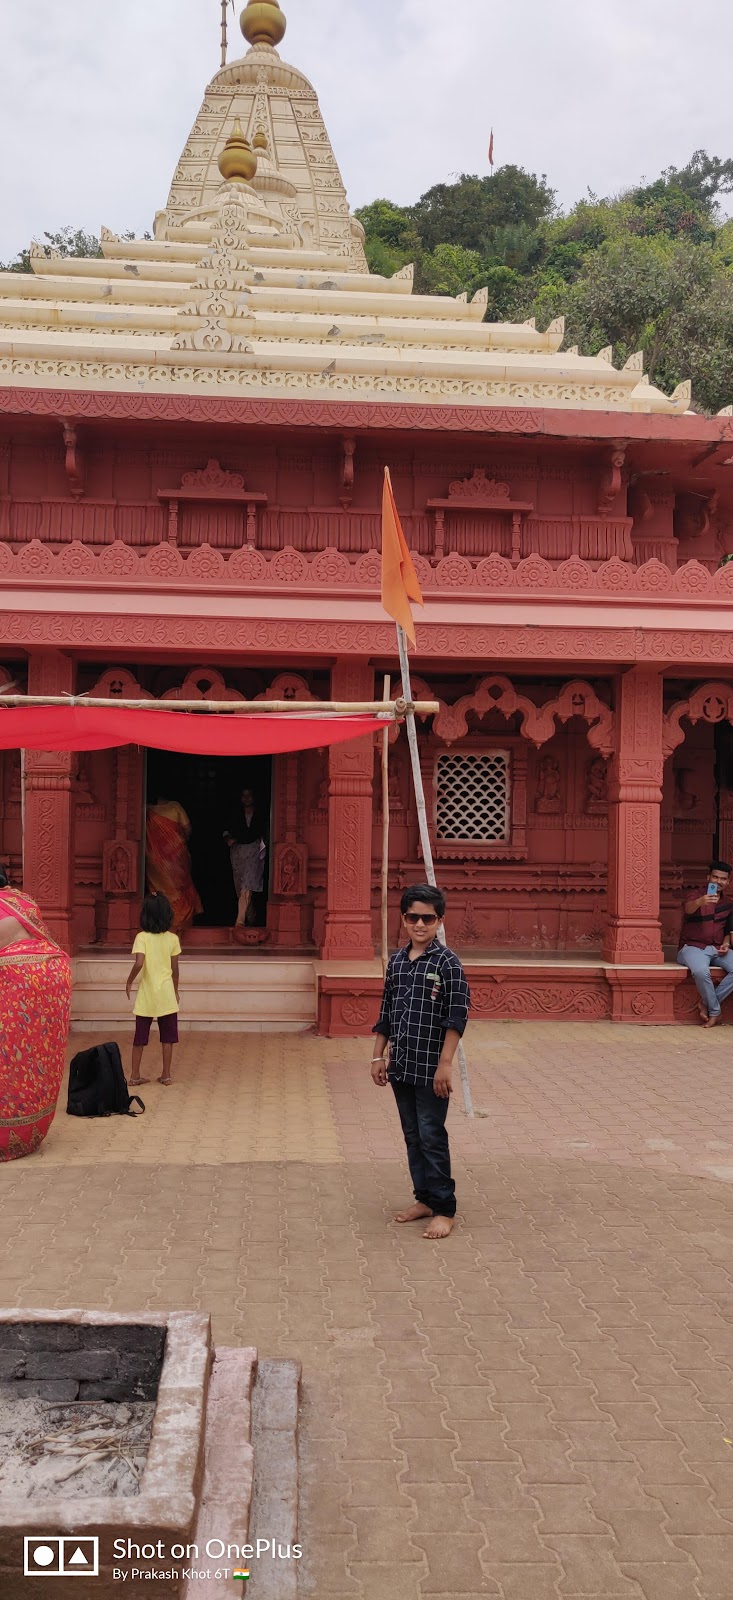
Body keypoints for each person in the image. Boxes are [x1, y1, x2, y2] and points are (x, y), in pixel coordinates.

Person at [371, 883, 470, 1240]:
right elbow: (386, 1012)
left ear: (439, 920)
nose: (419, 924)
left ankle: (444, 1209)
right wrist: (377, 1055)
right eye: (413, 917)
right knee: (413, 1136)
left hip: (432, 1069)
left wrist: (446, 1064)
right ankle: (424, 1199)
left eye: (428, 918)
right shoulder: (397, 962)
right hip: (400, 1066)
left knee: (431, 1136)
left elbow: (457, 1016)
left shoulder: (447, 963)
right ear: (403, 918)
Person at [0, 866, 72, 1162]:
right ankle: (29, 1131)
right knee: (32, 1058)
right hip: (52, 978)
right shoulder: (21, 899)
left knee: (7, 1060)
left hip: (18, 982)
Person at [126, 894, 181, 1086]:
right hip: (166, 993)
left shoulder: (141, 938)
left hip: (147, 994)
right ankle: (166, 1075)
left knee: (140, 1037)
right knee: (168, 1038)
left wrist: (129, 981)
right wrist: (175, 991)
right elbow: (175, 970)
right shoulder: (173, 939)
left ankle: (135, 1076)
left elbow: (139, 963)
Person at [677, 860, 733, 1027]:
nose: (718, 881)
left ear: (728, 882)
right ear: (708, 877)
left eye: (723, 879)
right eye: (715, 877)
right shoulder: (696, 895)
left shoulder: (729, 903)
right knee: (701, 972)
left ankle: (705, 1003)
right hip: (693, 947)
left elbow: (728, 929)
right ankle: (715, 1011)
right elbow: (687, 908)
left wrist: (726, 944)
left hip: (717, 948)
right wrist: (700, 902)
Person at [145, 795, 202, 933]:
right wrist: (176, 841)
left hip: (155, 859)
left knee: (158, 889)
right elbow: (187, 829)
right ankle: (179, 922)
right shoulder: (175, 806)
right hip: (177, 856)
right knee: (180, 888)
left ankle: (161, 922)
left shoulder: (146, 809)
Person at [224, 786, 268, 928]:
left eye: (249, 795)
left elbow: (263, 832)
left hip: (254, 850)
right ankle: (251, 915)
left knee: (247, 885)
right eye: (244, 795)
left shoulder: (260, 814)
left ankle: (240, 920)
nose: (247, 798)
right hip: (238, 852)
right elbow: (226, 831)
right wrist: (228, 839)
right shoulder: (234, 814)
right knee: (240, 886)